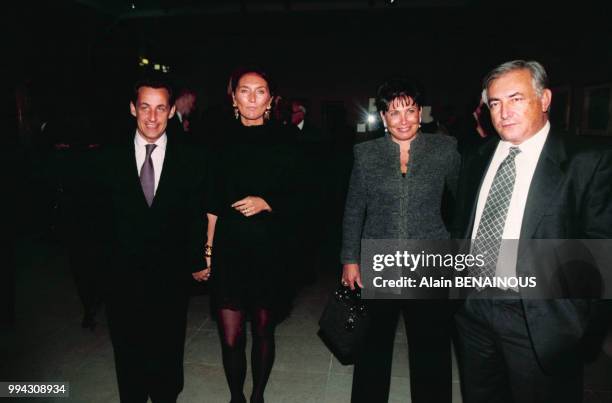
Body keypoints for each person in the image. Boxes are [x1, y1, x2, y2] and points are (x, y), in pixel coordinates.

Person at [452, 60, 612, 403]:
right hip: (474, 310)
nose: (504, 112)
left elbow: (601, 254)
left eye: (516, 99)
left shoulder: (587, 161)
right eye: (495, 103)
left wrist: (582, 328)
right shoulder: (476, 155)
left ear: (545, 99)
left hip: (538, 318)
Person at [341, 78, 460, 403]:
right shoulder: (366, 155)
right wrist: (350, 259)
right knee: (372, 347)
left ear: (420, 112)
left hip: (429, 259)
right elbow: (354, 208)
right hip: (379, 259)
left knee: (431, 348)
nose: (404, 119)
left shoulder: (445, 150)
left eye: (410, 110)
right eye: (394, 112)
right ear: (383, 117)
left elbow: (461, 203)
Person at [96, 75, 209, 402]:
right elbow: (94, 218)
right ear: (133, 108)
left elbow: (195, 215)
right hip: (121, 276)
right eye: (145, 107)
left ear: (172, 110)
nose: (152, 117)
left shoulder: (190, 158)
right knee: (128, 353)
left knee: (167, 352)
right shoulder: (108, 158)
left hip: (169, 277)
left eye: (161, 108)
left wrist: (198, 259)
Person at [200, 67, 298, 403]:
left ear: (271, 98)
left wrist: (267, 202)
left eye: (260, 91)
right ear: (234, 96)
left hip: (270, 251)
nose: (252, 98)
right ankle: (235, 397)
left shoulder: (288, 140)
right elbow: (211, 202)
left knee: (262, 330)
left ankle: (257, 395)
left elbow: (307, 197)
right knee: (230, 337)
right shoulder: (217, 140)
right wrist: (208, 252)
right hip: (229, 251)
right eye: (245, 90)